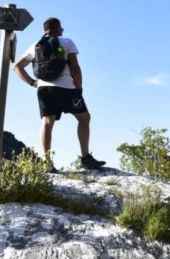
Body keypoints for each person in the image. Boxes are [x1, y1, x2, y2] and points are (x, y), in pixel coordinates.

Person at [12, 17, 105, 171]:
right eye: (61, 28)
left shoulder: (36, 45)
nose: (62, 31)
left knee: (47, 123)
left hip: (44, 89)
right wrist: (79, 89)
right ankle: (86, 158)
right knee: (84, 118)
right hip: (67, 89)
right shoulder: (66, 42)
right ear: (57, 28)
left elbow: (17, 67)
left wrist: (33, 82)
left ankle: (47, 162)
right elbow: (75, 67)